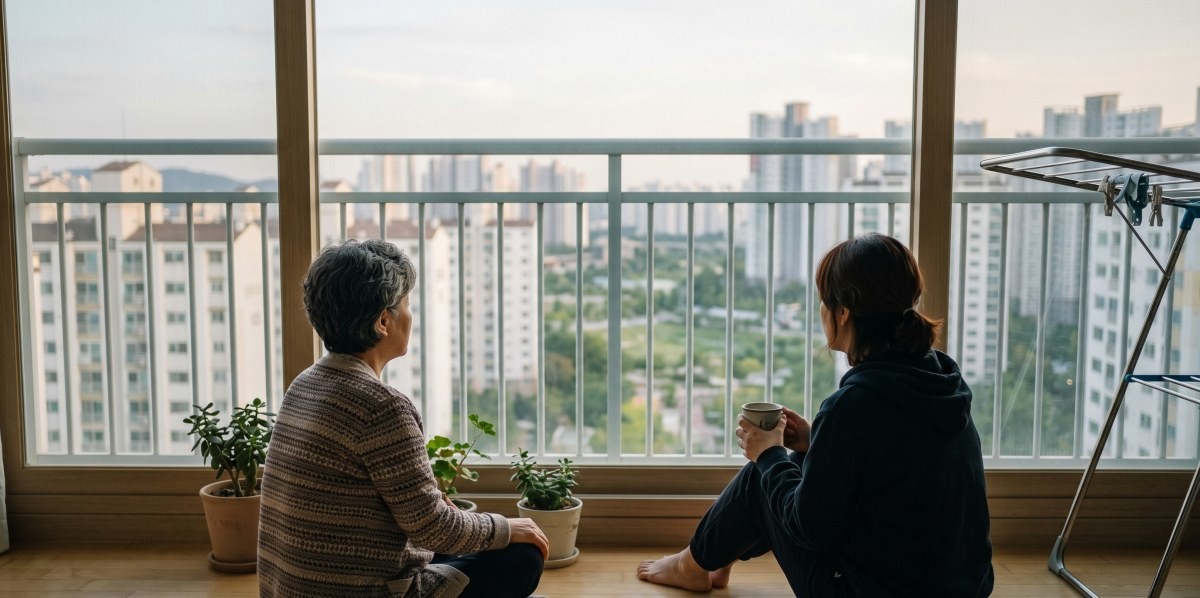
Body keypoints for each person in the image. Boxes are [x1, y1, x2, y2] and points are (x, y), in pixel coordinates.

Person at [637, 233, 993, 596]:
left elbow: (809, 528)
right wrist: (814, 440)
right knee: (792, 460)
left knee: (764, 475)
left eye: (824, 302)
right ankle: (709, 559)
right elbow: (897, 463)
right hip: (965, 588)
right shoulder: (941, 381)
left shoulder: (854, 405)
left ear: (843, 312)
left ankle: (692, 564)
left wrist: (768, 454)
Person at [259, 239, 548, 598]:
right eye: (406, 304)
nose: (410, 315)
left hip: (291, 588)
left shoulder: (304, 384)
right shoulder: (382, 406)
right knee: (523, 557)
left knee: (469, 539)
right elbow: (433, 530)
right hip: (358, 590)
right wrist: (505, 527)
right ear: (383, 321)